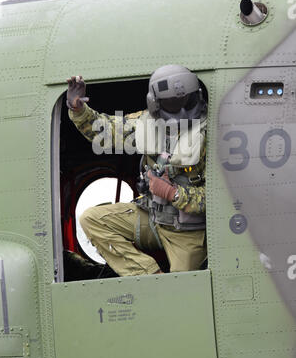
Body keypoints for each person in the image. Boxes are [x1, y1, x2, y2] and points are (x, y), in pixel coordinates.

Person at [66, 65, 207, 276]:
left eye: (188, 101)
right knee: (91, 219)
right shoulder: (146, 123)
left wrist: (172, 193)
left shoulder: (209, 134)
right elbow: (105, 131)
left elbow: (217, 199)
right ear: (156, 104)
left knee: (182, 289)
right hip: (152, 217)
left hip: (188, 232)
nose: (183, 110)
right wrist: (78, 109)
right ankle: (148, 277)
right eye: (173, 103)